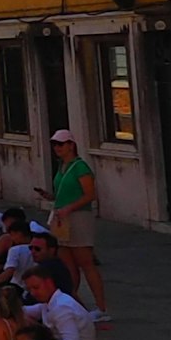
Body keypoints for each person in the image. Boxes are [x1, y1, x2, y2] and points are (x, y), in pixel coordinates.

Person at [46, 129, 103, 311]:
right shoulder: (61, 167)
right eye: (55, 144)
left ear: (71, 145)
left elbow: (90, 194)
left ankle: (102, 308)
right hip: (61, 218)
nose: (57, 148)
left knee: (86, 263)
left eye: (61, 144)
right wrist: (49, 196)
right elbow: (63, 193)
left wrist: (69, 208)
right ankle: (74, 305)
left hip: (78, 217)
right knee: (67, 266)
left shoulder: (80, 167)